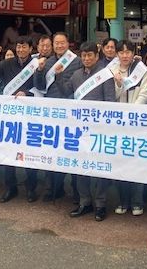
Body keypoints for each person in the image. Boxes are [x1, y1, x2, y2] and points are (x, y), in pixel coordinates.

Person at [58, 41, 115, 222]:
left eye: (90, 55)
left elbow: (110, 102)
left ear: (97, 56)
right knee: (80, 166)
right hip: (80, 130)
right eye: (83, 55)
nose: (87, 58)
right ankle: (85, 202)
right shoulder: (76, 74)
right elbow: (66, 91)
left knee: (99, 168)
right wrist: (59, 76)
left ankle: (100, 204)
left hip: (99, 130)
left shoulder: (105, 75)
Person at [0, 36, 39, 203]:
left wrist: (28, 94)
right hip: (10, 114)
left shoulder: (36, 64)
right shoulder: (7, 63)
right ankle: (10, 187)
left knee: (30, 152)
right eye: (18, 47)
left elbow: (41, 87)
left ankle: (31, 188)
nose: (21, 50)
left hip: (30, 113)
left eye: (24, 47)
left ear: (30, 49)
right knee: (9, 151)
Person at [34, 32, 82, 202]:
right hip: (51, 112)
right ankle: (53, 188)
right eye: (56, 43)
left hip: (69, 112)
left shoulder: (76, 61)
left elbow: (73, 88)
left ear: (68, 44)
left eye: (62, 42)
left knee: (72, 152)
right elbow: (40, 86)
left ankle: (77, 192)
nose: (59, 46)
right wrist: (39, 70)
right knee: (51, 150)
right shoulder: (48, 62)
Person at [111, 40, 147, 216]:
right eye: (121, 52)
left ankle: (137, 202)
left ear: (133, 53)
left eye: (128, 52)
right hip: (118, 124)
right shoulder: (112, 70)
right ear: (117, 54)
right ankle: (123, 201)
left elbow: (144, 93)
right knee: (121, 164)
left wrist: (132, 114)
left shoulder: (142, 70)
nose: (125, 55)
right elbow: (112, 95)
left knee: (137, 163)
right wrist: (119, 84)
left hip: (137, 122)